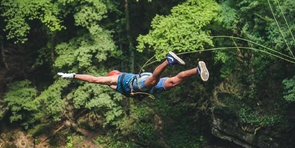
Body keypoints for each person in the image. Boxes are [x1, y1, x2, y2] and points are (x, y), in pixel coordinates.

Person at [57, 51, 209, 98]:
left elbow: (93, 79)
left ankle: (168, 61)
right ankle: (197, 70)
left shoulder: (113, 79)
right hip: (146, 90)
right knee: (173, 82)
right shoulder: (116, 85)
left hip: (140, 83)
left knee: (153, 80)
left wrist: (72, 75)